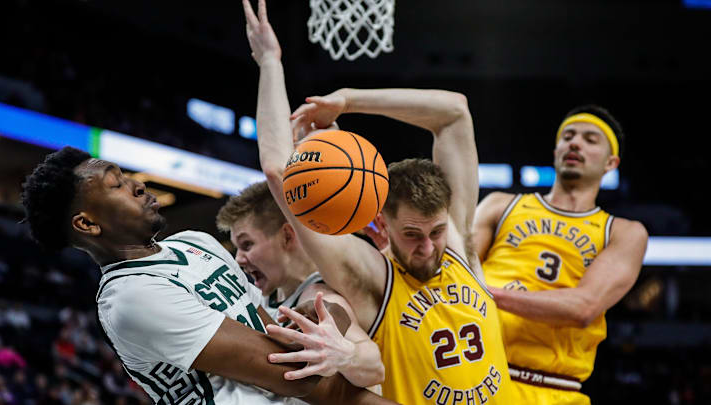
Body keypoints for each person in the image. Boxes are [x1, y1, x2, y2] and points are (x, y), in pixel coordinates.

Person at [242, 0, 513, 403]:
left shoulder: (457, 245)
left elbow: (455, 112)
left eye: (435, 231)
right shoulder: (369, 277)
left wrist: (349, 99)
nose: (427, 246)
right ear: (382, 226)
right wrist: (270, 63)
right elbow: (280, 170)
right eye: (412, 234)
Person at [20, 150, 397, 404]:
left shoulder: (195, 243)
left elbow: (282, 337)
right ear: (87, 223)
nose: (138, 185)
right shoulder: (131, 296)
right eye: (116, 184)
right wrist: (334, 315)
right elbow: (294, 372)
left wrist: (325, 312)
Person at [472, 106, 648, 404]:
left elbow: (582, 307)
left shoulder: (622, 232)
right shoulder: (501, 205)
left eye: (590, 139)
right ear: (556, 151)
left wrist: (486, 294)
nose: (575, 143)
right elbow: (451, 271)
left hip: (553, 389)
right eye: (568, 136)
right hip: (473, 376)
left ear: (611, 163)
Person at [216, 181, 385, 388]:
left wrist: (345, 356)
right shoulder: (267, 296)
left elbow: (374, 366)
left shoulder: (318, 297)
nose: (239, 258)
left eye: (246, 245)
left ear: (287, 236)